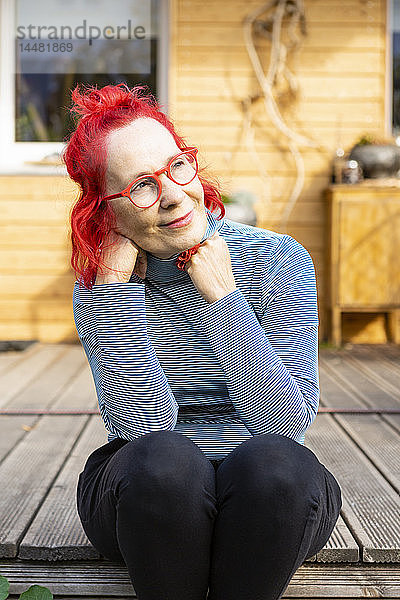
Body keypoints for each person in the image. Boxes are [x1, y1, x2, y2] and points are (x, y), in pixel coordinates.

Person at [63, 82, 342, 600]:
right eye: (142, 186)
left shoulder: (276, 261)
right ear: (106, 212)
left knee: (275, 465)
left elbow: (287, 425)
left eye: (176, 167)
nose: (172, 195)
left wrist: (222, 303)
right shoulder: (104, 284)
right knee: (164, 462)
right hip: (147, 497)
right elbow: (143, 428)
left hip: (267, 498)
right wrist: (116, 297)